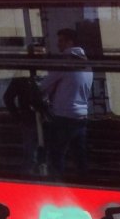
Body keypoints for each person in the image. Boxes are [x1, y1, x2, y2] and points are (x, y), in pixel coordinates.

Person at [39, 28, 93, 178]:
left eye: (61, 41)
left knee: (56, 157)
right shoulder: (88, 63)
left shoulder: (64, 61)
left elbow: (43, 86)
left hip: (64, 117)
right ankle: (85, 185)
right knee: (80, 158)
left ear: (71, 42)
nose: (58, 44)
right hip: (82, 117)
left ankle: (58, 187)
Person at [3, 44, 47, 174]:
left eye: (43, 53)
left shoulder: (46, 70)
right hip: (30, 119)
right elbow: (8, 97)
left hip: (45, 119)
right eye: (39, 53)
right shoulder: (22, 73)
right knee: (30, 155)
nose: (42, 56)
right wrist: (18, 118)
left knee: (45, 155)